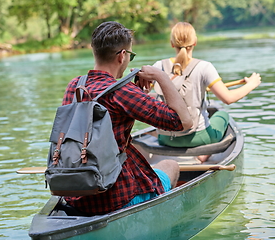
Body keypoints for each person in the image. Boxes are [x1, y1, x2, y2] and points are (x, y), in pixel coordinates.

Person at [62, 21, 193, 216]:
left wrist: (137, 95)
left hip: (75, 195)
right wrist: (160, 76)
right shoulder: (123, 91)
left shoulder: (75, 86)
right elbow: (183, 122)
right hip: (115, 198)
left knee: (135, 149)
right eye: (130, 54)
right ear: (123, 55)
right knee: (170, 166)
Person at [152, 22, 261, 162]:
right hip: (198, 138)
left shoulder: (158, 66)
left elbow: (143, 93)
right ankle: (203, 155)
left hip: (166, 138)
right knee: (222, 115)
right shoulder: (204, 67)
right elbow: (228, 98)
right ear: (195, 42)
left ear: (172, 43)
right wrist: (251, 84)